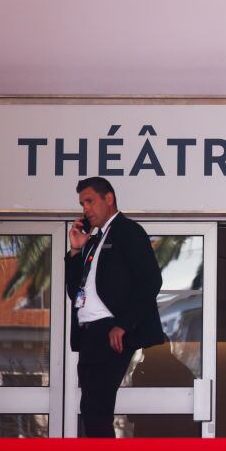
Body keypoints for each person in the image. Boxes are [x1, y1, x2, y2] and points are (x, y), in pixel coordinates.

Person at [65, 177, 164, 437]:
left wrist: (123, 324)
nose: (85, 209)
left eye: (90, 201)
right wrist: (76, 251)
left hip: (110, 332)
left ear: (109, 198)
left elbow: (151, 280)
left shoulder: (127, 231)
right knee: (91, 406)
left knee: (96, 405)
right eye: (82, 203)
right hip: (88, 333)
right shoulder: (94, 241)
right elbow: (74, 291)